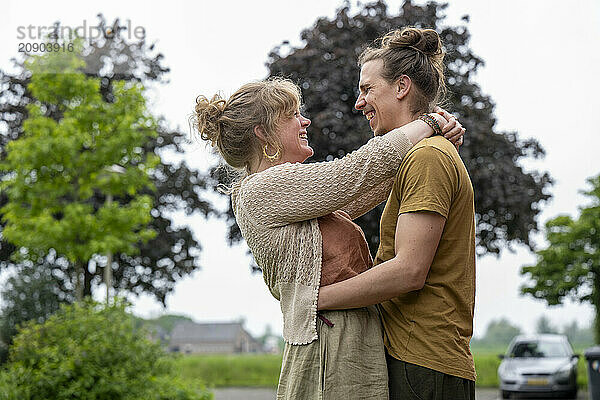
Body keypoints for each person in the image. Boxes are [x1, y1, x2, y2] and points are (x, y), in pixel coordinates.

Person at [193, 76, 464, 399]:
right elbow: (358, 169)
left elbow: (375, 181)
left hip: (343, 337)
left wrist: (433, 143)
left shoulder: (296, 199)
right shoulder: (262, 188)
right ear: (263, 134)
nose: (305, 120)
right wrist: (430, 122)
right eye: (292, 115)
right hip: (330, 345)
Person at [317, 27, 476, 399]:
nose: (359, 103)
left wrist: (316, 298)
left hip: (421, 362)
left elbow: (409, 270)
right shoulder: (421, 155)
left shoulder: (428, 157)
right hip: (418, 359)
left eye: (367, 89)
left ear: (402, 87)